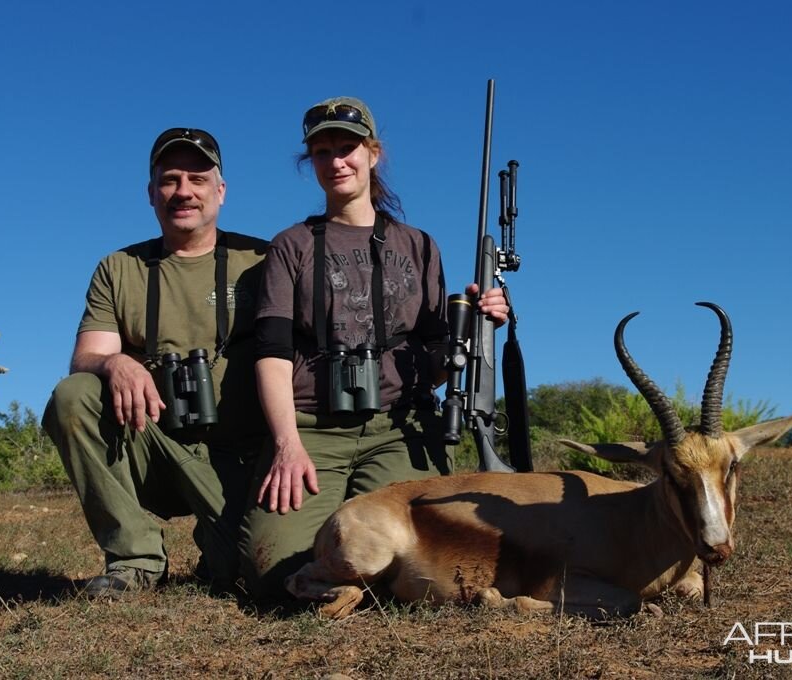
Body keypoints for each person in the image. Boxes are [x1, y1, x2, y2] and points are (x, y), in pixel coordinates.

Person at [239, 96, 509, 598]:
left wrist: (475, 329)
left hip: (397, 427)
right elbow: (272, 352)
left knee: (426, 553)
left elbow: (433, 360)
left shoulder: (420, 245)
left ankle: (359, 584)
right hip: (313, 429)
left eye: (348, 147)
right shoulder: (291, 245)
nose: (337, 161)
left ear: (373, 153)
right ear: (310, 162)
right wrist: (286, 443)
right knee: (271, 572)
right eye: (322, 152)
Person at [42, 128, 269, 596]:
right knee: (74, 395)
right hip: (154, 444)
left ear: (220, 191)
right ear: (151, 193)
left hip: (237, 456)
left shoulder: (263, 259)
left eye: (197, 178)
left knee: (247, 570)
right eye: (169, 180)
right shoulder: (119, 267)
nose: (182, 191)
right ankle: (134, 559)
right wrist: (114, 364)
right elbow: (87, 353)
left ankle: (220, 545)